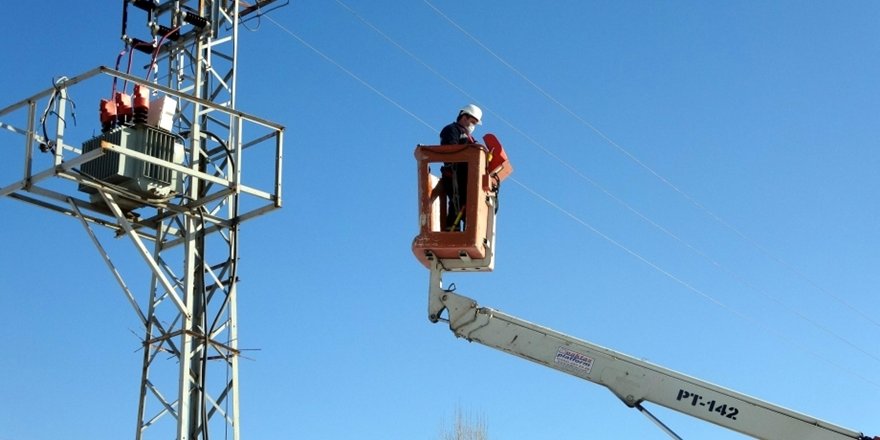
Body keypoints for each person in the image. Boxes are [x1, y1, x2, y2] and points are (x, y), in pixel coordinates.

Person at [438, 104, 482, 231]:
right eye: (472, 122)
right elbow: (450, 151)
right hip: (454, 176)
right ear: (464, 117)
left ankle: (461, 232)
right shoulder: (451, 130)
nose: (473, 126)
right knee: (456, 204)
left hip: (466, 178)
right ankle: (452, 230)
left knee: (467, 206)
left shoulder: (470, 137)